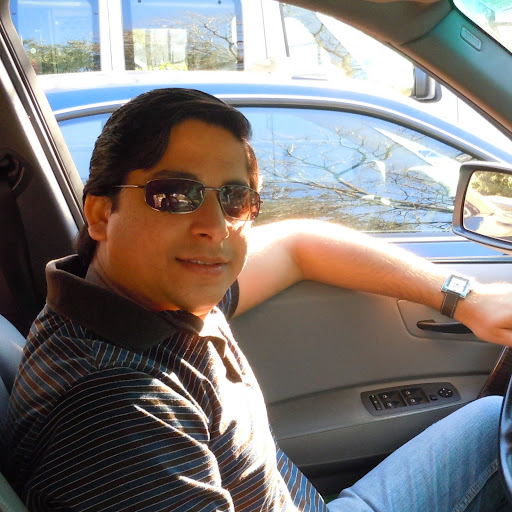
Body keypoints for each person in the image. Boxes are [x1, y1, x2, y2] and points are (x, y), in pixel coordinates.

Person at [4, 88, 511, 511]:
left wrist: (465, 299)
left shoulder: (154, 300)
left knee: (494, 422)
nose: (214, 226)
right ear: (100, 214)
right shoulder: (117, 414)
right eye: (175, 195)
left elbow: (297, 244)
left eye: (235, 199)